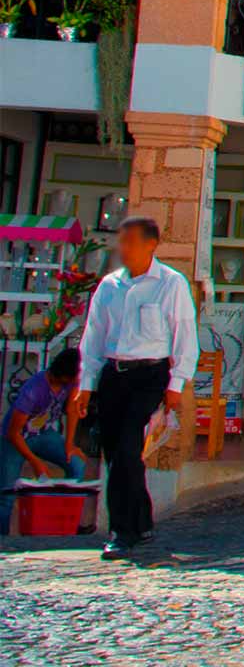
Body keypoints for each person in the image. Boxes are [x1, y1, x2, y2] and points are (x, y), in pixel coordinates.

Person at [73, 217, 197, 561]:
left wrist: (176, 383)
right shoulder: (110, 286)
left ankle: (122, 530)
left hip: (150, 375)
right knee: (116, 452)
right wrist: (86, 384)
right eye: (121, 241)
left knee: (129, 447)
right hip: (114, 374)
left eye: (129, 241)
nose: (122, 248)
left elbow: (185, 336)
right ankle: (141, 517)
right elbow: (94, 336)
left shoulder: (171, 284)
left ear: (150, 244)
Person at [2, 348, 89, 533]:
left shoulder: (71, 385)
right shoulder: (33, 391)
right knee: (7, 492)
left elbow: (72, 410)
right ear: (66, 375)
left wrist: (69, 445)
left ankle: (66, 521)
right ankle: (3, 537)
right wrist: (36, 462)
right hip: (17, 439)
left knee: (76, 465)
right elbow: (13, 433)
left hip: (42, 433)